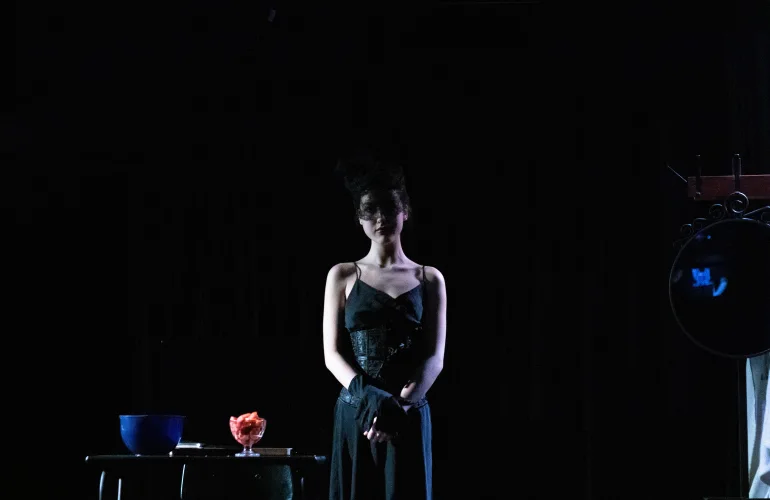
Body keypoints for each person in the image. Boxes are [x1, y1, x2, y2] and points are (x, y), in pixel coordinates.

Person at [323, 154, 447, 500]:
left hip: (407, 413)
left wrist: (397, 408)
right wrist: (372, 399)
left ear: (405, 211)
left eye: (389, 208)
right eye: (370, 210)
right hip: (356, 412)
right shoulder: (342, 275)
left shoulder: (429, 278)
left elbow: (434, 358)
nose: (381, 217)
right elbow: (332, 354)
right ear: (359, 218)